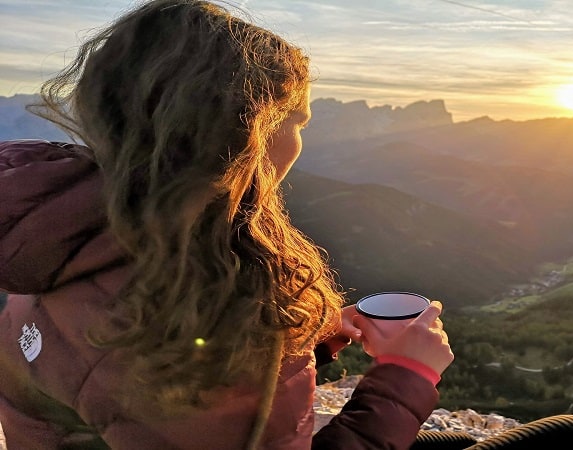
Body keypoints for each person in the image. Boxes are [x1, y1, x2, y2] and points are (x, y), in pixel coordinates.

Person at [0, 1, 453, 448]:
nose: (299, 144)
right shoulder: (206, 296)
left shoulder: (57, 232)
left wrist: (303, 341)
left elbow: (148, 399)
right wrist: (405, 378)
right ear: (250, 132)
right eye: (299, 123)